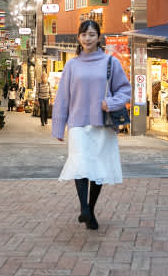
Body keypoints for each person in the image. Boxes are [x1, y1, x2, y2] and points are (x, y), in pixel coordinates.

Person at [52, 20, 130, 230]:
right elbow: (63, 97)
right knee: (80, 163)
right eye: (84, 34)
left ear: (99, 37)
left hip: (102, 122)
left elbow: (125, 90)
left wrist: (111, 103)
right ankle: (84, 208)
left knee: (97, 166)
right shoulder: (71, 65)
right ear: (78, 38)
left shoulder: (111, 62)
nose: (87, 38)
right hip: (77, 123)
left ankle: (91, 210)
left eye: (92, 34)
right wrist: (58, 126)